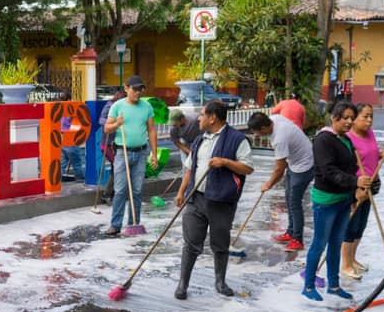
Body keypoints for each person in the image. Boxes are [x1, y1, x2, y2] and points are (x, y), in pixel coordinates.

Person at [174, 100, 253, 300]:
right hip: (196, 198)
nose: (199, 118)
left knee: (220, 243)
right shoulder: (200, 140)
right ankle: (182, 284)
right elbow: (190, 168)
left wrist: (225, 162)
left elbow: (248, 168)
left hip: (221, 201)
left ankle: (220, 281)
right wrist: (182, 192)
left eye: (202, 114)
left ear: (212, 118)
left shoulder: (237, 139)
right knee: (190, 243)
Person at [302, 102, 371, 301]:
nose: (350, 121)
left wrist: (355, 187)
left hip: (343, 199)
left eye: (352, 117)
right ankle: (308, 286)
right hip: (326, 200)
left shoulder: (345, 139)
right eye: (345, 118)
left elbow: (350, 167)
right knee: (320, 243)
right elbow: (328, 170)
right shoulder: (324, 140)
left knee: (335, 243)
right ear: (334, 118)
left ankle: (333, 285)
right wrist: (354, 181)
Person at [247, 112, 313, 252]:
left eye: (256, 132)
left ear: (264, 128)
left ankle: (298, 240)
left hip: (304, 165)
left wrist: (268, 184)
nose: (256, 135)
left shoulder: (279, 138)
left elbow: (279, 169)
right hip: (294, 162)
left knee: (294, 202)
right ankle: (290, 232)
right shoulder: (274, 119)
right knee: (289, 199)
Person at [340, 103, 384, 278]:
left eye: (371, 116)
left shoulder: (369, 134)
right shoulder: (348, 139)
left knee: (360, 225)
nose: (369, 120)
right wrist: (356, 189)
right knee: (350, 225)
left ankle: (353, 259)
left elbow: (372, 154)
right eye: (365, 116)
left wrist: (382, 155)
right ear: (354, 119)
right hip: (356, 188)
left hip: (371, 185)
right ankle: (346, 265)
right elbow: (344, 167)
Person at [103, 75, 158, 236]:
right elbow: (107, 128)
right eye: (134, 89)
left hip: (141, 152)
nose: (138, 92)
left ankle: (133, 222)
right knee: (120, 190)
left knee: (137, 190)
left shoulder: (147, 106)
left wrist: (154, 154)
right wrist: (117, 124)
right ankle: (115, 224)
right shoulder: (117, 107)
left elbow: (151, 130)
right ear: (126, 88)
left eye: (140, 89)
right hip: (122, 152)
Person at [97, 90, 126, 202]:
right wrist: (114, 122)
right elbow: (101, 120)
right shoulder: (110, 106)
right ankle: (107, 194)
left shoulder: (122, 108)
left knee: (117, 169)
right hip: (106, 144)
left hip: (115, 143)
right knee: (118, 169)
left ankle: (113, 193)